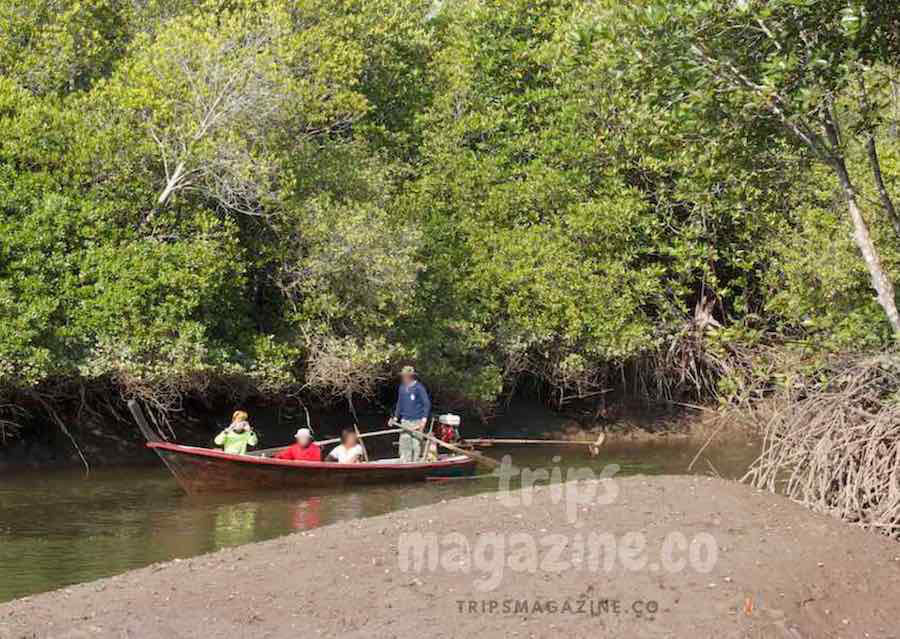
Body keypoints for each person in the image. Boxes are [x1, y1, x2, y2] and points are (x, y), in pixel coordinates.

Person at [391, 365, 431, 462]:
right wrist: (395, 417)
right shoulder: (402, 388)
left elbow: (426, 404)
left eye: (405, 376)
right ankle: (405, 461)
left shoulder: (419, 388)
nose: (403, 378)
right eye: (403, 376)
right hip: (405, 420)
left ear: (410, 376)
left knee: (415, 443)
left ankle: (415, 462)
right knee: (405, 441)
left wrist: (424, 420)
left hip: (417, 421)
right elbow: (400, 403)